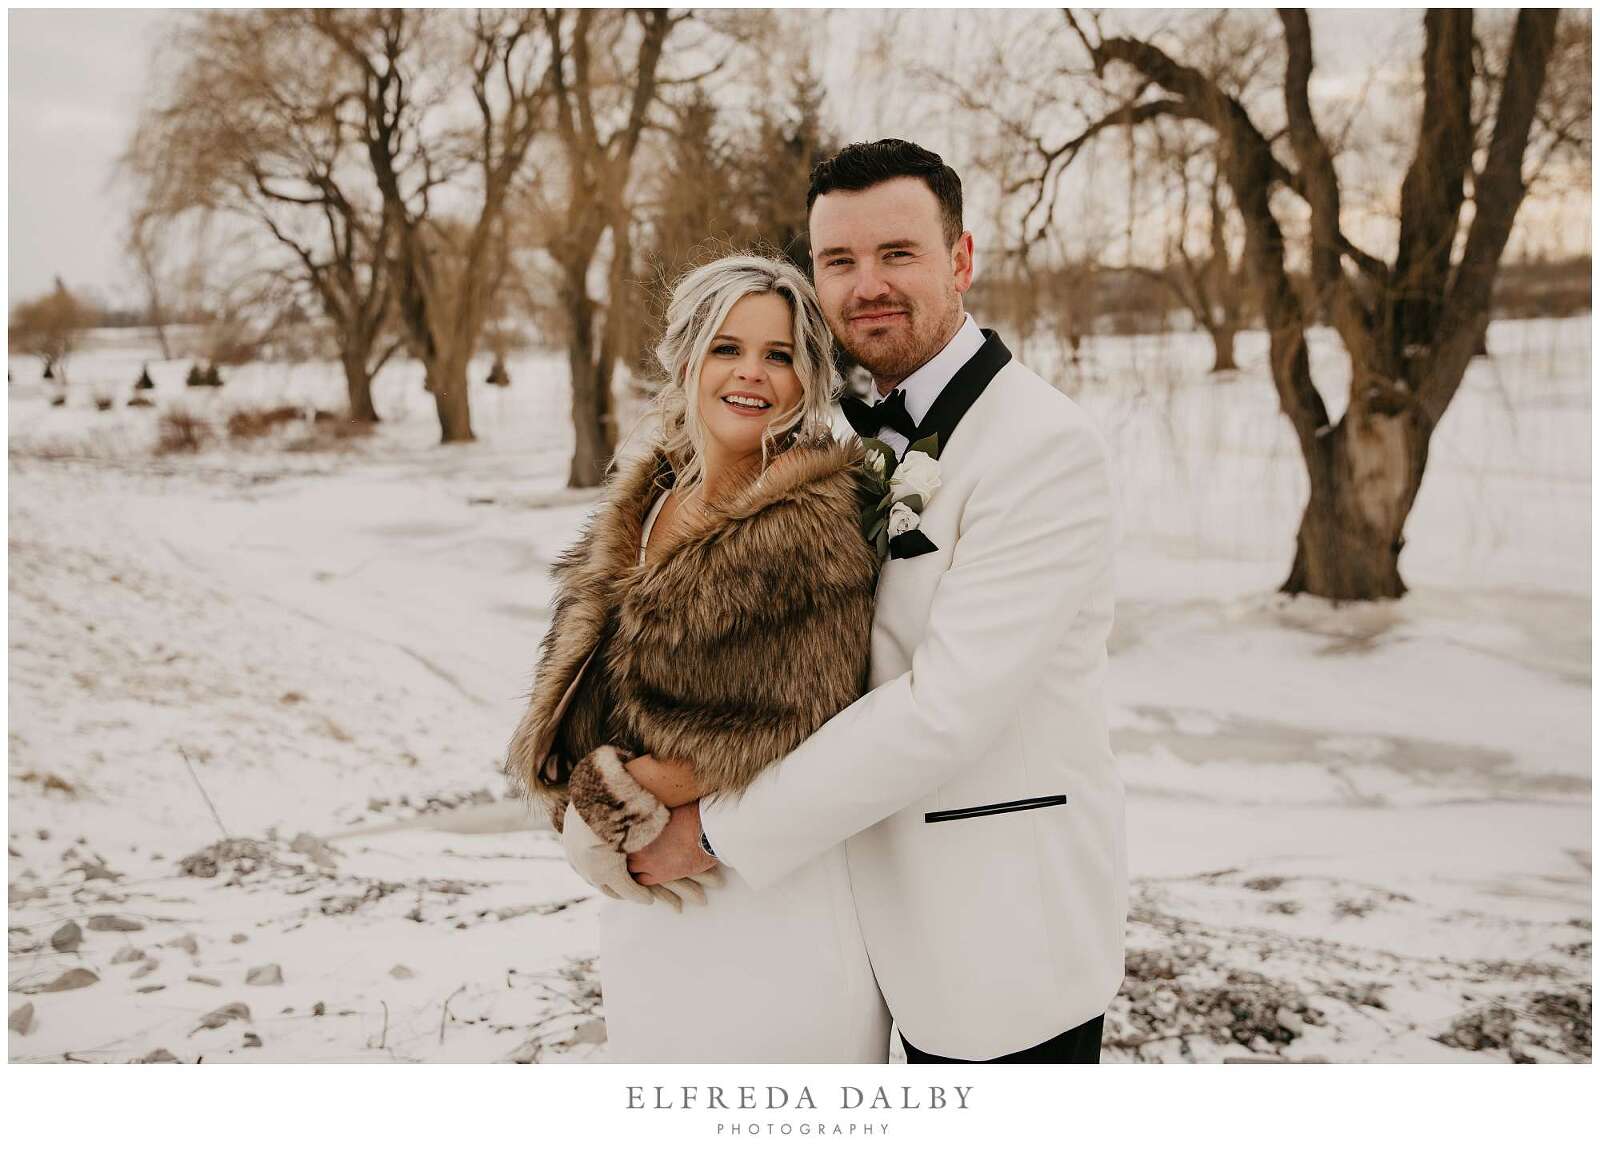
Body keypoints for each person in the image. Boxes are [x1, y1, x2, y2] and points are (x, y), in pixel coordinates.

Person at [626, 140, 1128, 1064]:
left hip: (996, 930)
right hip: (838, 929)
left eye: (897, 254)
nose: (867, 287)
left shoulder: (1042, 446)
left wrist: (714, 831)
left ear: (961, 260)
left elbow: (944, 709)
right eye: (839, 261)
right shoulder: (827, 446)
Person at [503, 253, 891, 1062]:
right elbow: (583, 695)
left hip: (769, 901)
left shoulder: (814, 523)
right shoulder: (647, 502)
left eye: (779, 355)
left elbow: (805, 717)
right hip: (649, 914)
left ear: (808, 378)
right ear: (685, 361)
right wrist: (582, 805)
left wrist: (609, 802)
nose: (752, 373)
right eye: (727, 348)